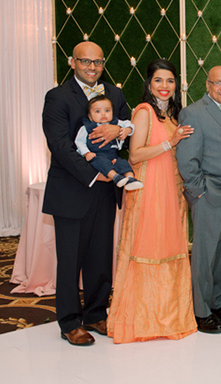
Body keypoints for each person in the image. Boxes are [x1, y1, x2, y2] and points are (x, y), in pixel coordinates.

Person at [42, 41, 129, 346]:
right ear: (72, 62)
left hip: (106, 193)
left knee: (100, 256)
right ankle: (68, 321)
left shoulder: (115, 95)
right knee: (70, 260)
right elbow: (60, 145)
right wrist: (97, 173)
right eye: (85, 62)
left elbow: (126, 129)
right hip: (72, 189)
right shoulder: (57, 97)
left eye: (98, 62)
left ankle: (95, 313)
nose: (92, 68)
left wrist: (120, 132)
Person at [106, 59, 197, 343]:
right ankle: (142, 320)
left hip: (171, 189)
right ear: (149, 84)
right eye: (158, 80)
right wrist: (171, 142)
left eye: (170, 81)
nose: (164, 86)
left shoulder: (174, 115)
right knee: (148, 247)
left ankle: (169, 318)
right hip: (148, 191)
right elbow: (134, 156)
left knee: (170, 247)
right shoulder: (143, 112)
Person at [176, 66, 221, 334]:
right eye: (219, 83)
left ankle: (218, 302)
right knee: (204, 256)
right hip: (208, 195)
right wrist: (198, 192)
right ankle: (200, 311)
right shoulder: (193, 112)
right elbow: (187, 158)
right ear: (208, 85)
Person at [74, 95, 142, 190]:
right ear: (90, 116)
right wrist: (86, 153)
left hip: (113, 155)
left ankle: (130, 178)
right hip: (97, 155)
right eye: (97, 111)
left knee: (123, 163)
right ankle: (116, 177)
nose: (103, 114)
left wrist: (127, 130)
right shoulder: (87, 127)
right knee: (102, 163)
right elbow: (79, 142)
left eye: (107, 110)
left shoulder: (116, 122)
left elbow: (129, 124)